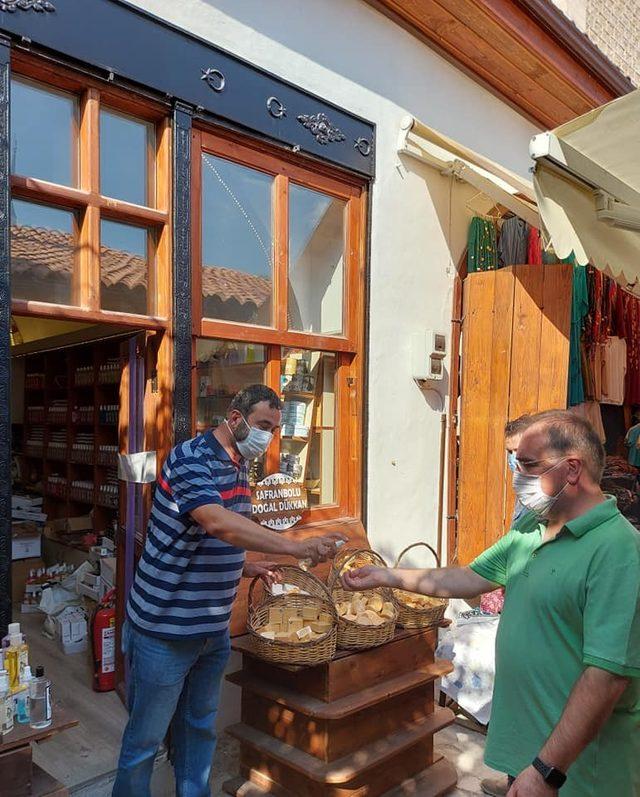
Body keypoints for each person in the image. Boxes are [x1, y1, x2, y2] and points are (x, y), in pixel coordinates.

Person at [343, 410, 640, 797]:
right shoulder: (530, 530)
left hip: (580, 772)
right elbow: (469, 577)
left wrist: (547, 770)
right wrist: (388, 576)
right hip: (530, 755)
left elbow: (606, 678)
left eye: (529, 465)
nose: (518, 476)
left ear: (571, 469)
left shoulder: (619, 551)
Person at [113, 384, 346, 797]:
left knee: (199, 732)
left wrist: (249, 566)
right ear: (235, 419)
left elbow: (209, 541)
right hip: (164, 631)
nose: (268, 437)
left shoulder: (239, 465)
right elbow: (216, 522)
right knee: (144, 742)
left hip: (212, 631)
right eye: (262, 425)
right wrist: (295, 546)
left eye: (274, 429)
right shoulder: (191, 458)